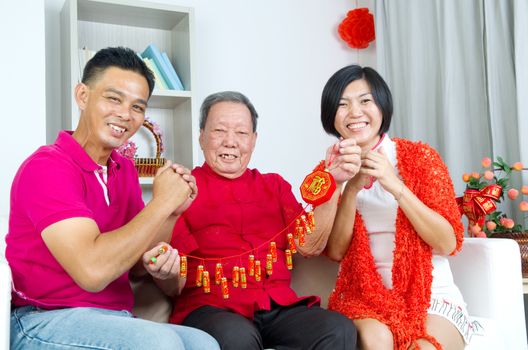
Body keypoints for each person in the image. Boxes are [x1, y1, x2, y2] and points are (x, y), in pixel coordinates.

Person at [6, 46, 219, 350]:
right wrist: (161, 202)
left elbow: (134, 264)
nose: (125, 115)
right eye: (113, 98)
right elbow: (92, 272)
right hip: (42, 319)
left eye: (137, 107)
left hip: (112, 318)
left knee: (204, 344)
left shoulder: (124, 170)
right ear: (82, 96)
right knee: (160, 343)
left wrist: (172, 210)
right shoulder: (46, 168)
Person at [157, 91, 357, 350]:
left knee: (338, 329)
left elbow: (309, 246)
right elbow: (176, 282)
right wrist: (165, 272)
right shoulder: (183, 188)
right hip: (213, 309)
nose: (230, 142)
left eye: (241, 133)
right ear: (202, 136)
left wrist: (335, 181)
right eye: (219, 130)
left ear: (253, 140)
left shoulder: (274, 186)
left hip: (277, 306)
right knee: (238, 336)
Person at [312, 64, 475, 349]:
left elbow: (448, 242)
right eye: (342, 105)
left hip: (431, 295)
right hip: (364, 298)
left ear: (382, 106)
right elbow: (336, 252)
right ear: (331, 117)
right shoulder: (328, 172)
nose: (355, 113)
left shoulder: (420, 157)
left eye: (365, 101)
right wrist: (348, 189)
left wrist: (395, 185)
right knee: (376, 341)